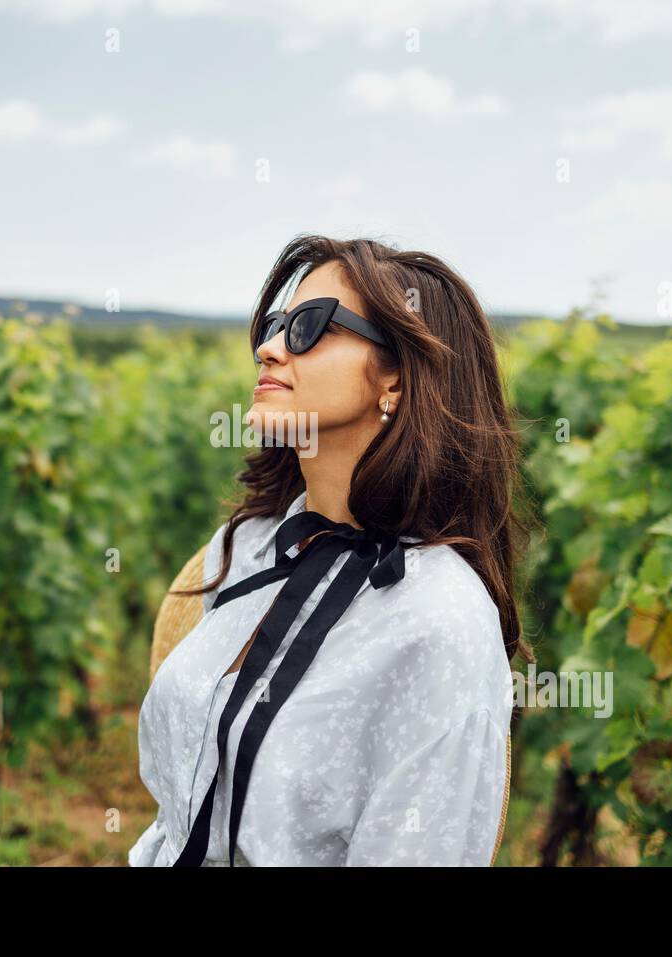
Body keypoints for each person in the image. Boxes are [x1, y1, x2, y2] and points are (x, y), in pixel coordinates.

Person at [129, 234, 533, 866]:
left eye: (309, 326)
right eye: (274, 324)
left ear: (396, 376)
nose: (268, 348)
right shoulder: (247, 547)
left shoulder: (438, 616)